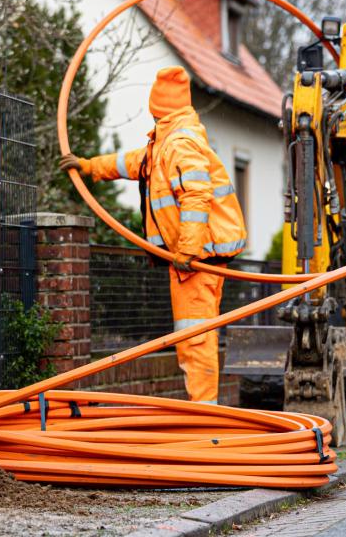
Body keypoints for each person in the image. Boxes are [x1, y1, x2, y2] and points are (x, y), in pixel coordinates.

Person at [60, 66, 247, 401]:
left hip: (196, 261)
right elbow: (131, 163)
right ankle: (205, 412)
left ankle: (205, 417)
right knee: (194, 336)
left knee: (195, 337)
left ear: (158, 107)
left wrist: (188, 251)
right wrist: (88, 166)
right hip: (192, 259)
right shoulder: (163, 143)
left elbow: (197, 195)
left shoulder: (179, 144)